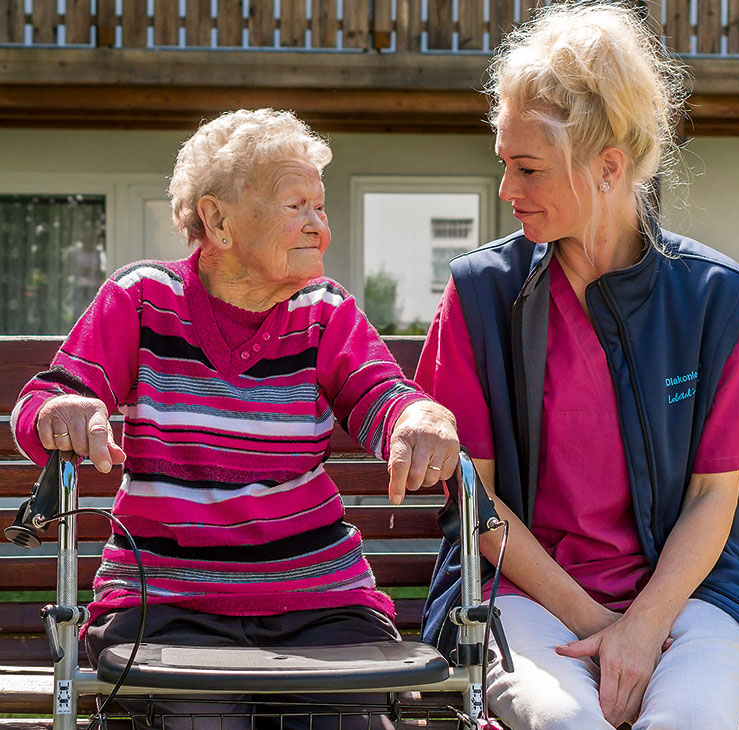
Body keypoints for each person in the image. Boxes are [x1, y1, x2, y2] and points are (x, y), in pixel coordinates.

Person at [416, 5, 739, 730]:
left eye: (526, 168)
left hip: (698, 595)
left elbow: (714, 499)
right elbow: (478, 506)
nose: (507, 189)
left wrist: (643, 626)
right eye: (504, 162)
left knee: (685, 719)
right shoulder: (478, 295)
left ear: (608, 167)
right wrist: (601, 627)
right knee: (567, 722)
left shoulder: (719, 299)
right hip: (524, 593)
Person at [12, 108, 459, 729]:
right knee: (204, 719)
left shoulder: (325, 314)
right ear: (217, 220)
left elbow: (382, 394)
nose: (319, 227)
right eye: (295, 205)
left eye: (321, 207)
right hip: (168, 599)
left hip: (317, 596)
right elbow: (48, 397)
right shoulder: (142, 301)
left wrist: (420, 417)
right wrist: (66, 410)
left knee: (347, 719)